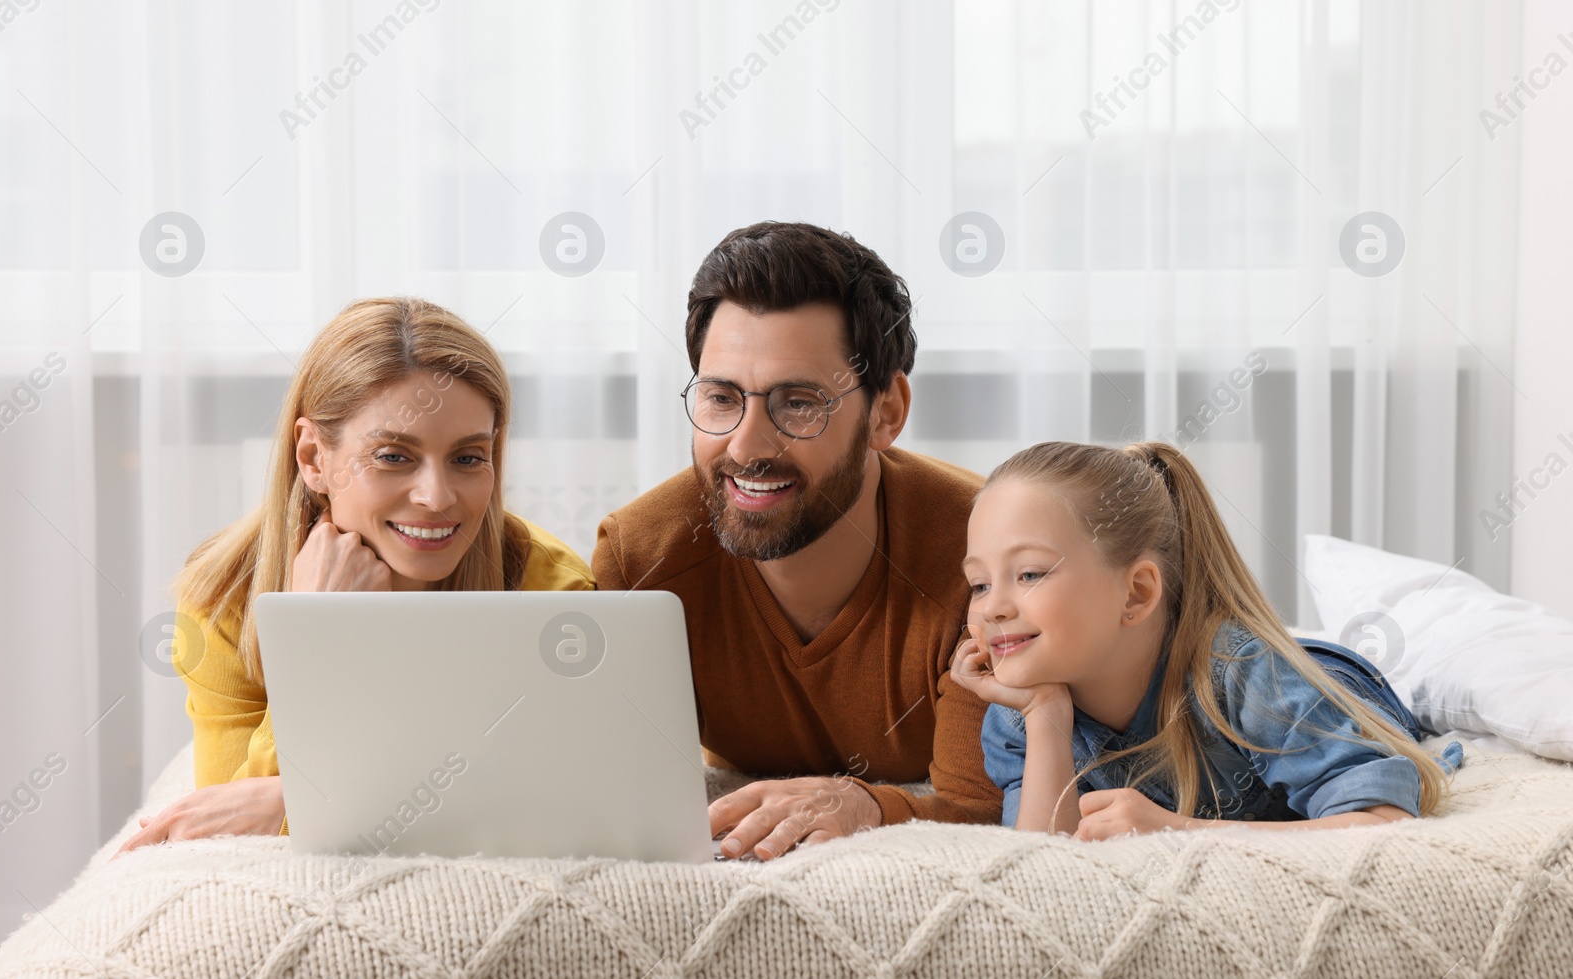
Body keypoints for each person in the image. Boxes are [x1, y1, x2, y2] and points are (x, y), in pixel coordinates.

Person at [115, 297, 593, 855]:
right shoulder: (224, 601)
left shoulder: (552, 592)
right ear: (315, 457)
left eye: (468, 458)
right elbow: (234, 818)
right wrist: (315, 634)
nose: (437, 497)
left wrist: (299, 798)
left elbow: (557, 793)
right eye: (393, 456)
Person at [592, 221, 1003, 861]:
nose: (749, 446)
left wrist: (869, 804)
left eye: (800, 402)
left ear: (887, 412)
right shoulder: (642, 557)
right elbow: (622, 789)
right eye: (722, 397)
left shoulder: (985, 552)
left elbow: (980, 808)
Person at [952, 439, 1464, 838]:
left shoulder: (1246, 678)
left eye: (1031, 574)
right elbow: (1042, 863)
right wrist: (1046, 717)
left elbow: (1382, 821)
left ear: (1135, 593)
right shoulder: (1018, 717)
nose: (993, 606)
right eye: (979, 583)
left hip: (1333, 685)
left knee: (1432, 682)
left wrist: (1180, 831)